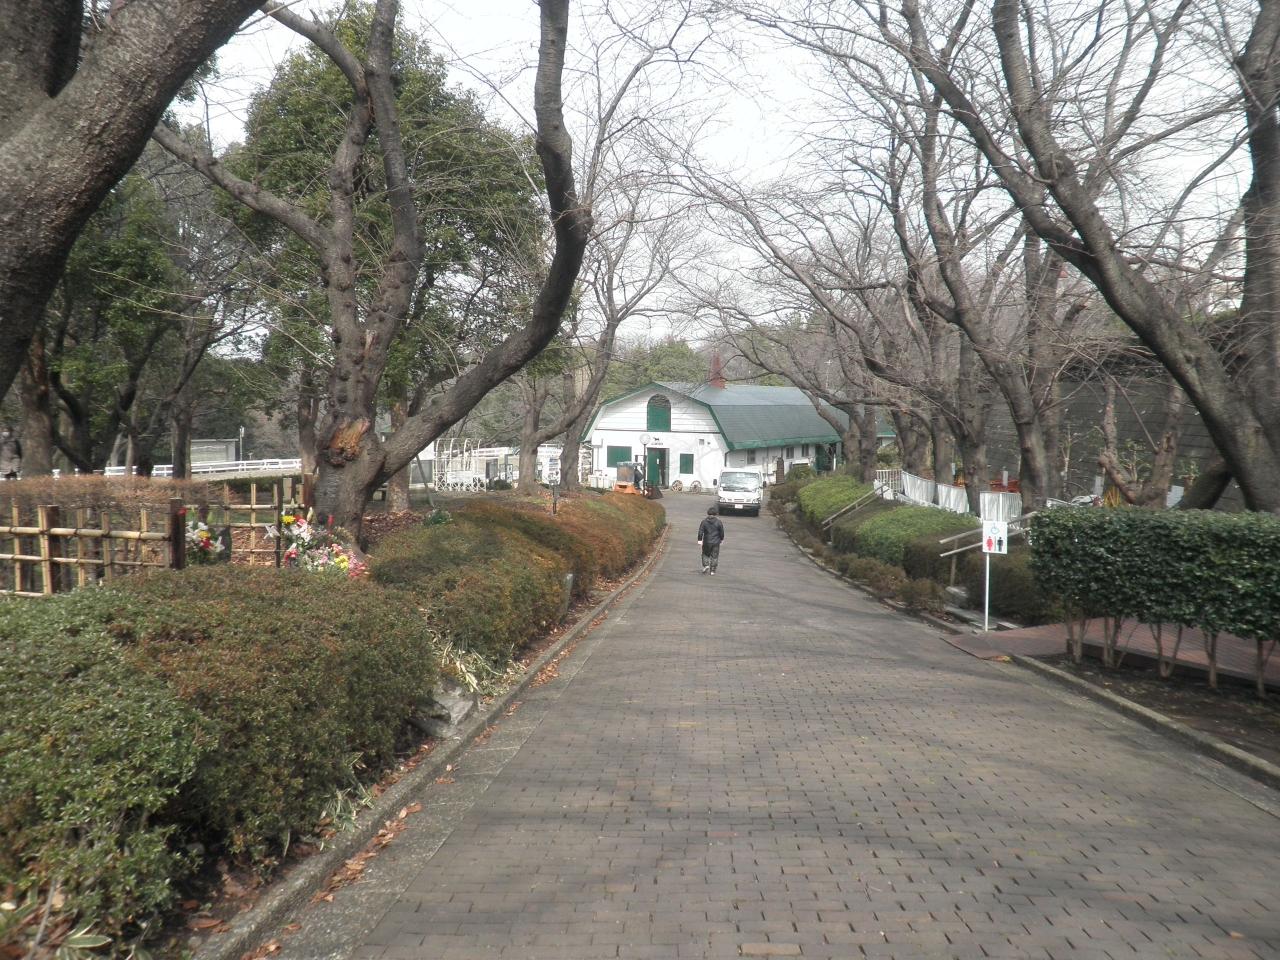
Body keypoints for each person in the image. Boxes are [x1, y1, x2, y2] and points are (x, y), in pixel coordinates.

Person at [697, 505, 725, 576]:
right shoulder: (719, 522)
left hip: (707, 541)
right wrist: (722, 539)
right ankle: (712, 570)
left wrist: (699, 540)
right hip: (716, 542)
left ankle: (706, 565)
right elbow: (721, 532)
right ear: (716, 513)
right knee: (714, 556)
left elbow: (700, 531)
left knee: (705, 554)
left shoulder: (704, 522)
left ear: (708, 513)